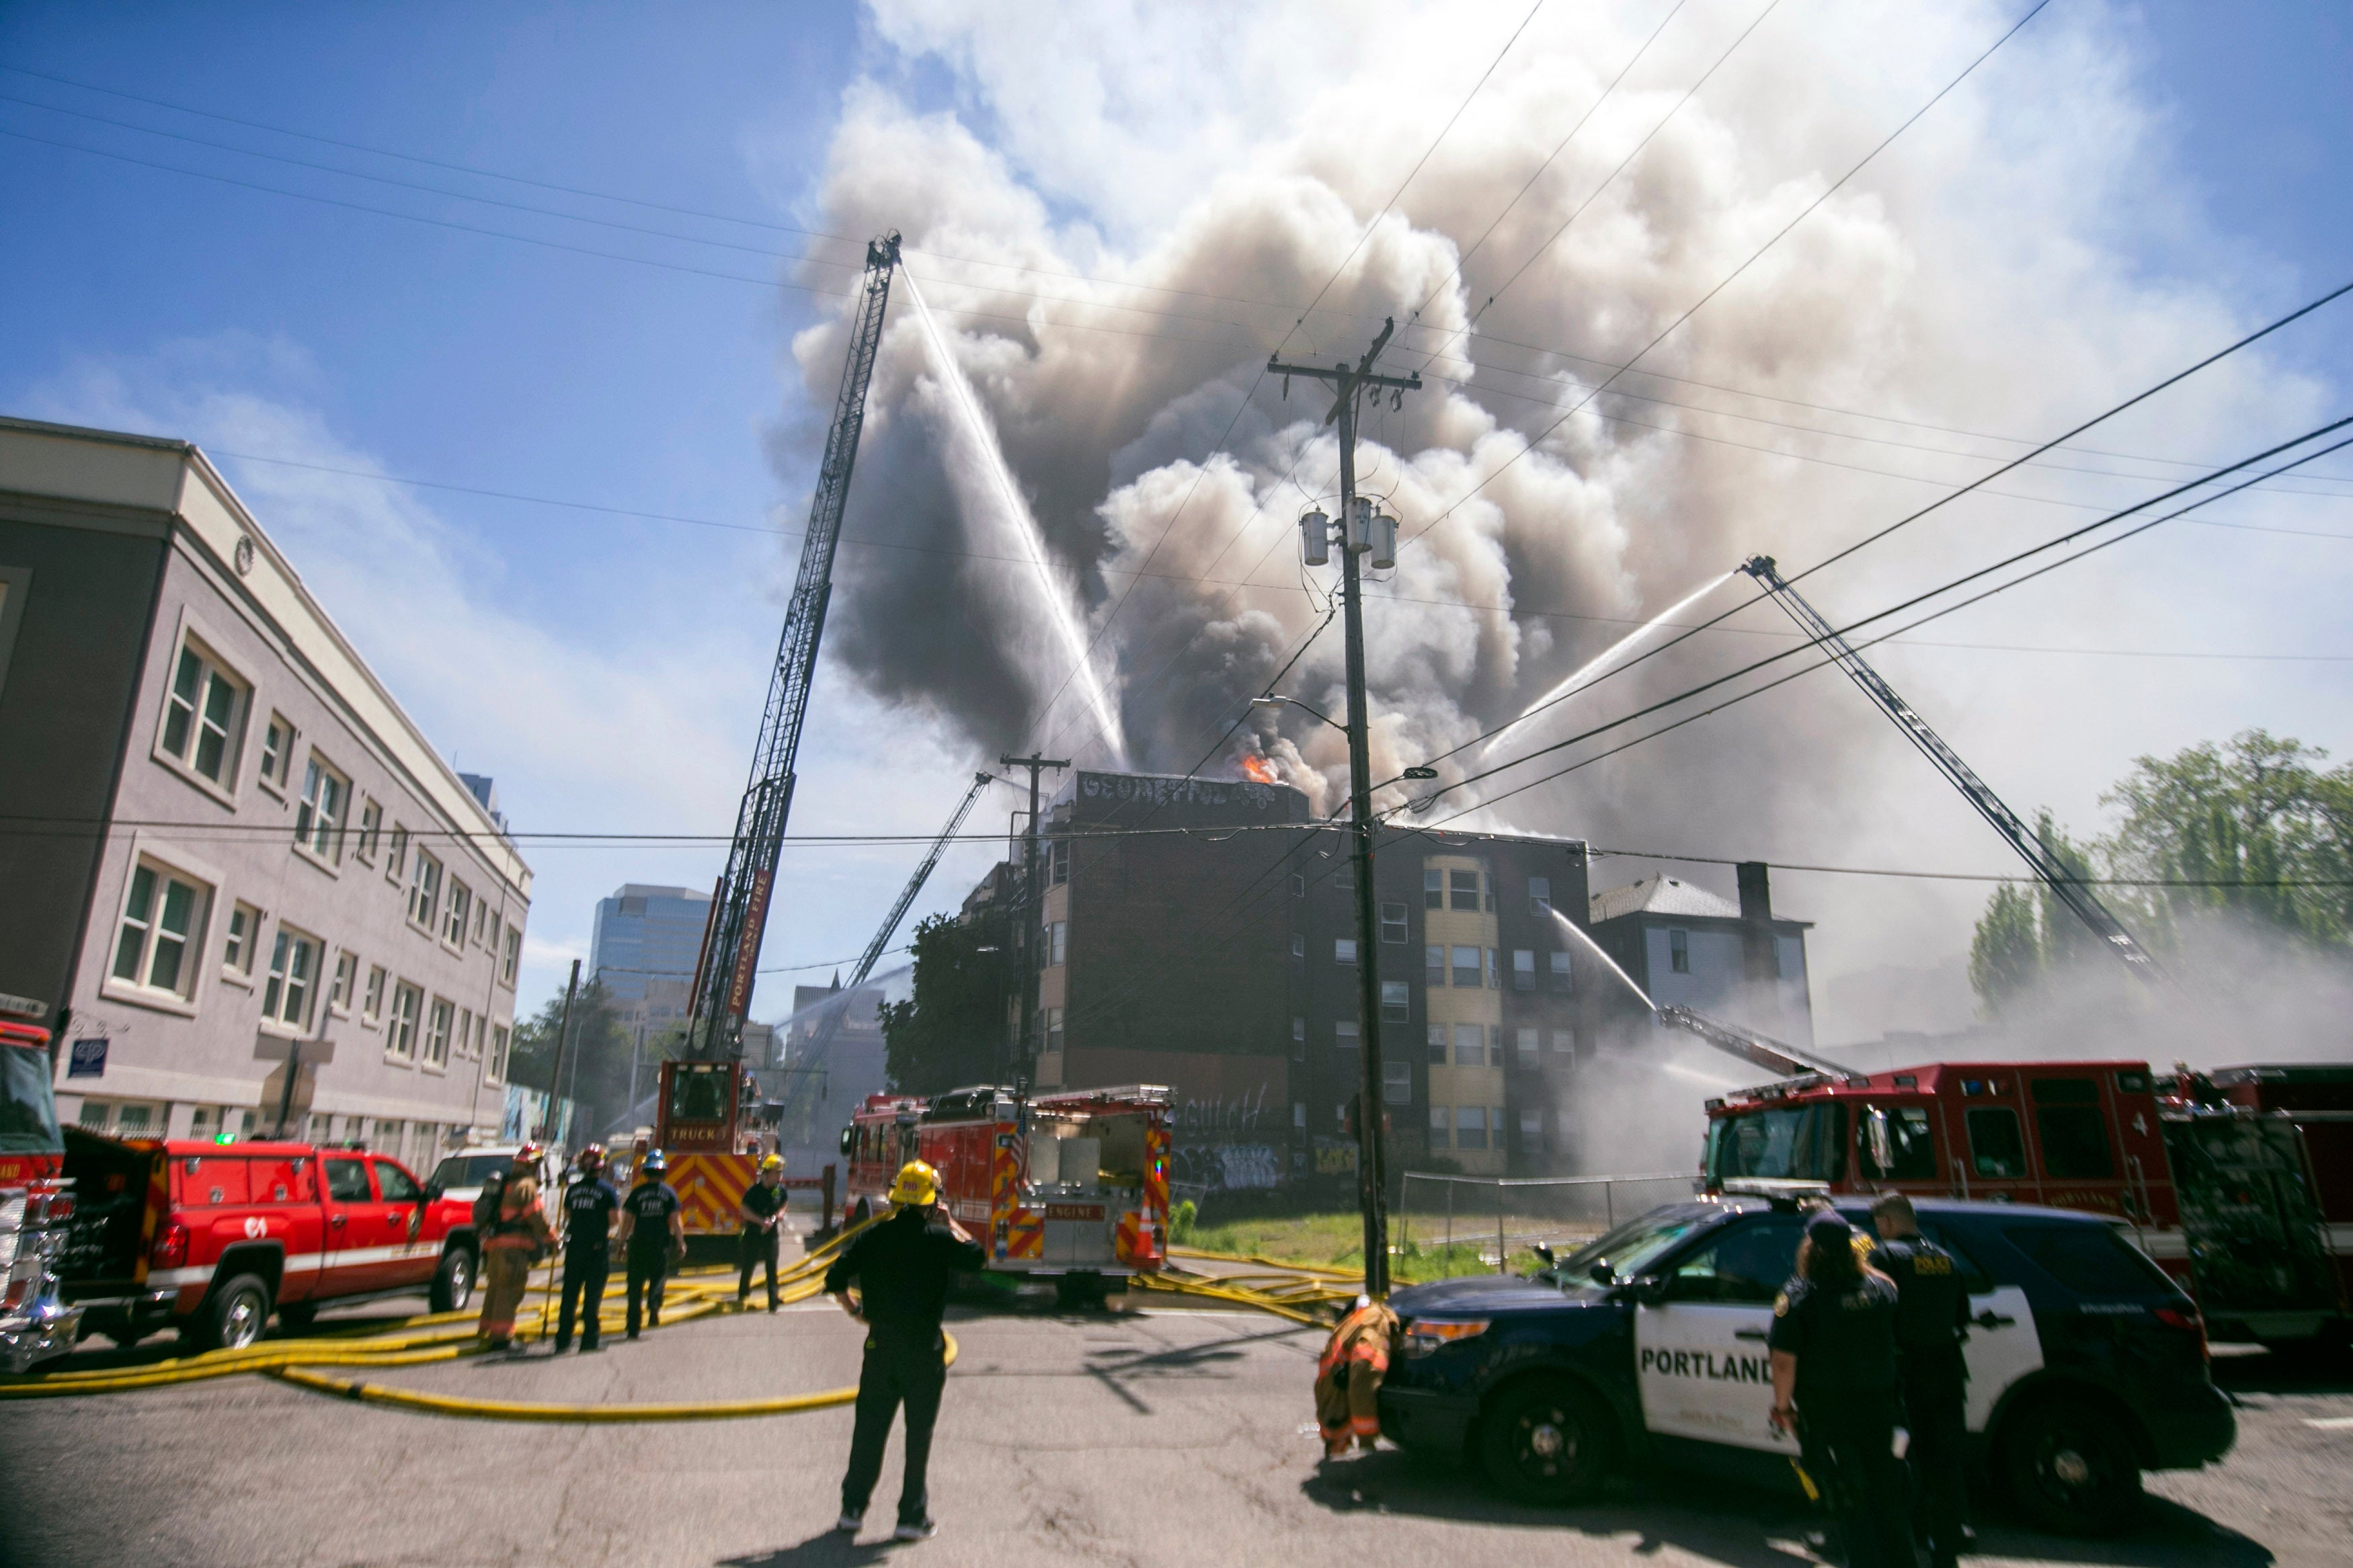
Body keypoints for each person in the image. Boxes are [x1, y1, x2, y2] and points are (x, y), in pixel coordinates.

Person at [824, 1160, 984, 1543]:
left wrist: (856, 1311)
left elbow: (834, 1278)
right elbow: (977, 1257)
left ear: (897, 1198)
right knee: (918, 1436)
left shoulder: (874, 1237)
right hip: (924, 1351)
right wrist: (951, 1224)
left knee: (869, 1431)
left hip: (880, 1347)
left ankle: (852, 1509)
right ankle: (910, 1517)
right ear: (932, 1202)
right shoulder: (939, 1239)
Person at [1768, 1210, 1919, 1568]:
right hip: (1883, 1412)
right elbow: (1888, 1285)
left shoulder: (1800, 1296)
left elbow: (1783, 1362)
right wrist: (1861, 1265)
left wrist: (1783, 1408)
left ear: (1810, 1249)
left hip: (1828, 1416)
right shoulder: (1880, 1289)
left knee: (1847, 1502)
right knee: (1889, 1501)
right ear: (1853, 1251)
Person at [1870, 1192, 1972, 1568]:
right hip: (1946, 1370)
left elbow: (1874, 1314)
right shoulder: (1946, 1259)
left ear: (1885, 1223)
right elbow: (1962, 1316)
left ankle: (1906, 1538)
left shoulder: (1884, 1257)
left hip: (1904, 1372)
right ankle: (1947, 1541)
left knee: (1902, 1458)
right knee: (1944, 1457)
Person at [477, 1145, 553, 1351]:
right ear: (533, 1165)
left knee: (494, 1289)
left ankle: (487, 1329)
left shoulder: (505, 1183)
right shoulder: (527, 1186)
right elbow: (536, 1218)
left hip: (494, 1248)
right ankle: (501, 1338)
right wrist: (552, 1239)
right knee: (508, 1291)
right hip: (512, 1251)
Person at [554, 1145, 621, 1353]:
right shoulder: (608, 1190)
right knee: (592, 1295)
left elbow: (567, 1217)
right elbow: (614, 1220)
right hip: (596, 1249)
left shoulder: (573, 1190)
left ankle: (563, 1340)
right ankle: (589, 1339)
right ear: (602, 1166)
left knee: (569, 1295)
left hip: (574, 1248)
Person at [616, 1148, 683, 1339]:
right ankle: (654, 1306)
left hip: (638, 1244)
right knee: (658, 1278)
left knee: (635, 1286)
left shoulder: (637, 1193)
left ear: (646, 1171)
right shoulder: (669, 1194)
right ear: (663, 1171)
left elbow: (627, 1221)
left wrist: (621, 1243)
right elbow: (676, 1222)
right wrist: (681, 1243)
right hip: (660, 1245)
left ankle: (632, 1327)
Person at [738, 1153, 789, 1311]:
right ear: (767, 1174)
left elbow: (784, 1204)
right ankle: (743, 1294)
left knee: (771, 1266)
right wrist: (761, 1221)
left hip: (771, 1235)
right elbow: (744, 1211)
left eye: (781, 1173)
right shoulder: (754, 1192)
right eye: (777, 1173)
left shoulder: (780, 1191)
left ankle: (773, 1300)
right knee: (749, 1264)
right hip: (754, 1234)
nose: (780, 1176)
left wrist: (777, 1216)